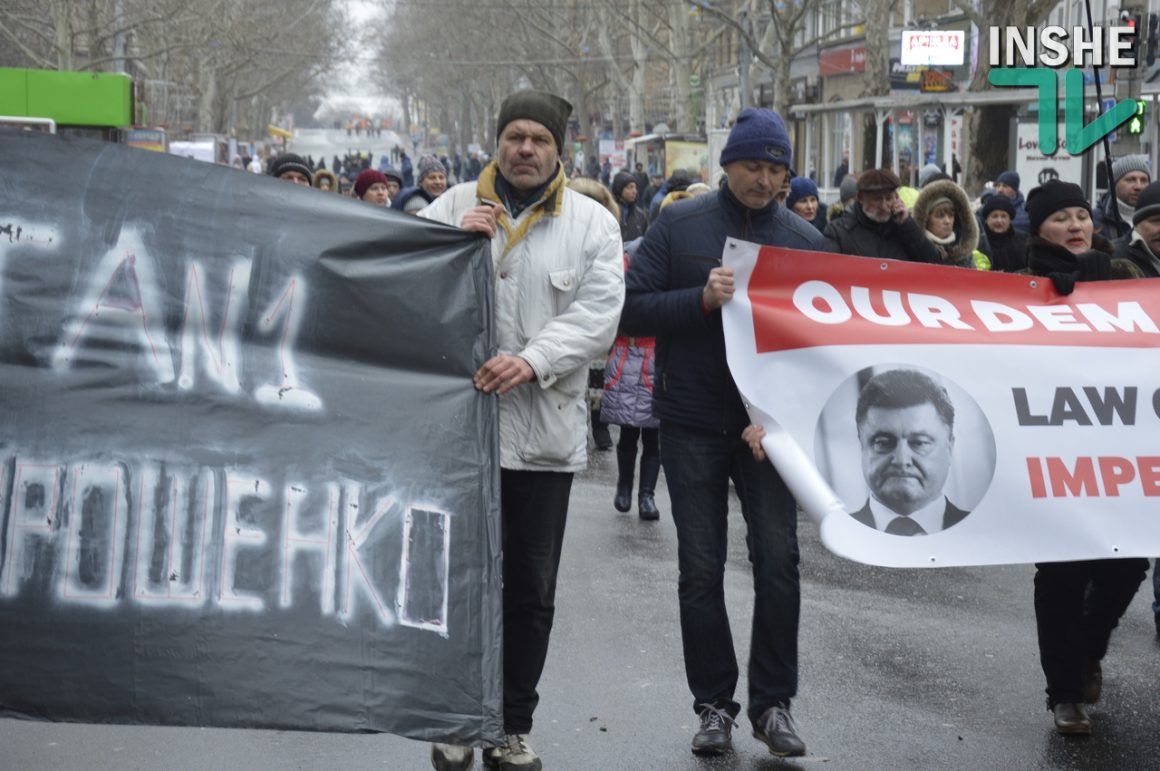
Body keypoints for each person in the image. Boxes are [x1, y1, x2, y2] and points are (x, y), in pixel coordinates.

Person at [421, 89, 624, 771]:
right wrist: (452, 250)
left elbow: (598, 317)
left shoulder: (594, 225)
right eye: (515, 136)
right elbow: (403, 294)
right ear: (496, 142)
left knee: (530, 590)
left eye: (539, 138)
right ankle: (455, 717)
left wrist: (533, 359)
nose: (526, 149)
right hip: (458, 439)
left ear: (561, 148)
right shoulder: (447, 210)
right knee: (456, 583)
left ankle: (511, 723)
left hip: (542, 439)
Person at [620, 106, 823, 759]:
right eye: (752, 166)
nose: (763, 179)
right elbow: (629, 311)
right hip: (693, 420)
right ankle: (714, 704)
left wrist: (786, 420)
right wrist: (699, 300)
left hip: (770, 429)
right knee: (700, 569)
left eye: (775, 168)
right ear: (725, 165)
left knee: (780, 562)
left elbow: (824, 348)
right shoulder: (679, 224)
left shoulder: (807, 241)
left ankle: (774, 704)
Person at [1022, 179, 1148, 736]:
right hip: (1050, 448)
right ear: (1040, 228)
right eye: (1060, 218)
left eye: (1080, 215)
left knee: (1129, 562)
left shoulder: (1121, 276)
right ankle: (1065, 696)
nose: (1074, 225)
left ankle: (1089, 648)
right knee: (1063, 574)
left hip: (1116, 447)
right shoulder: (1014, 284)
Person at [848, 369, 968, 535]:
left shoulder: (983, 531)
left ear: (949, 448)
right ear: (862, 445)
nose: (901, 459)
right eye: (883, 443)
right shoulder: (840, 532)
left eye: (919, 442)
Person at [822, 168, 940, 263]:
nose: (883, 206)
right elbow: (828, 271)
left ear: (897, 198)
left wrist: (907, 225)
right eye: (877, 199)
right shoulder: (839, 231)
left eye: (889, 198)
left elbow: (933, 263)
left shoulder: (904, 229)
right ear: (861, 198)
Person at [912, 179, 985, 269]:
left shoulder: (964, 255)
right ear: (926, 219)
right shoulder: (915, 250)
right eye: (940, 216)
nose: (947, 221)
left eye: (951, 215)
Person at [1094, 154, 1151, 241]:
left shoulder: (1155, 218)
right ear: (1114, 184)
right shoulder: (1094, 221)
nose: (1138, 186)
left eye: (1144, 180)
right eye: (1131, 180)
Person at [980, 195, 1028, 273]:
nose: (999, 221)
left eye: (1004, 216)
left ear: (1010, 219)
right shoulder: (978, 242)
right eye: (994, 216)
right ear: (986, 219)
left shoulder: (1024, 241)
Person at [611, 170, 648, 241]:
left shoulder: (641, 215)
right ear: (619, 189)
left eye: (635, 187)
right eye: (630, 187)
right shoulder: (608, 212)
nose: (634, 191)